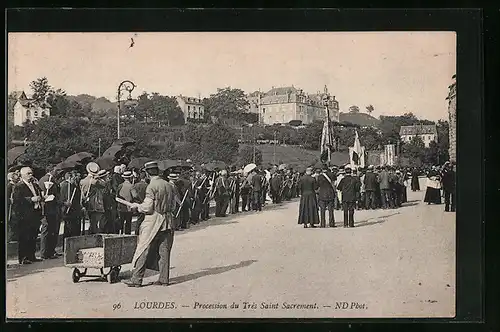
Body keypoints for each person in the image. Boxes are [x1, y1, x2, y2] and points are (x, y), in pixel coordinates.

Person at [123, 161, 177, 287]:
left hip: (154, 219)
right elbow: (174, 205)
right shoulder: (169, 185)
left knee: (143, 247)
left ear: (147, 173)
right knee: (164, 250)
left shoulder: (151, 186)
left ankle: (136, 279)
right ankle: (164, 279)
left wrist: (137, 206)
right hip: (168, 219)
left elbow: (148, 208)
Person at [12, 167, 44, 264]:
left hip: (34, 213)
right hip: (24, 215)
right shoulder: (19, 186)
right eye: (28, 173)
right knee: (24, 236)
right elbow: (17, 200)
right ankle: (23, 257)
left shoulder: (34, 185)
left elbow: (38, 194)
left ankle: (31, 255)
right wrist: (31, 199)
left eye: (31, 173)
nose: (31, 175)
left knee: (33, 235)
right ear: (23, 175)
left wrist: (41, 197)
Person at [38, 166, 62, 259]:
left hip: (51, 209)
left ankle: (50, 251)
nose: (57, 172)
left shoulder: (50, 179)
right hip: (48, 208)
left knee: (51, 230)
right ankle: (44, 253)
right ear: (50, 171)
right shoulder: (47, 179)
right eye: (56, 170)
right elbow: (46, 194)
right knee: (47, 230)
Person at [80, 162, 106, 234]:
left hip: (87, 203)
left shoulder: (82, 181)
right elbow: (104, 185)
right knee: (96, 224)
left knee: (91, 222)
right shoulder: (97, 182)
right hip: (96, 204)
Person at [60, 171, 82, 239]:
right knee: (70, 230)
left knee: (74, 230)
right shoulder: (66, 185)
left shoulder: (73, 186)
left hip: (74, 211)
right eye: (74, 177)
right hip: (70, 211)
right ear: (70, 177)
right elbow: (65, 198)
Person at [315, 163, 337, 228]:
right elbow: (334, 182)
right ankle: (331, 223)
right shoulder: (332, 174)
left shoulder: (319, 177)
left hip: (322, 194)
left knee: (322, 210)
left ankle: (323, 224)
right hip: (330, 193)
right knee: (331, 210)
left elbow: (317, 185)